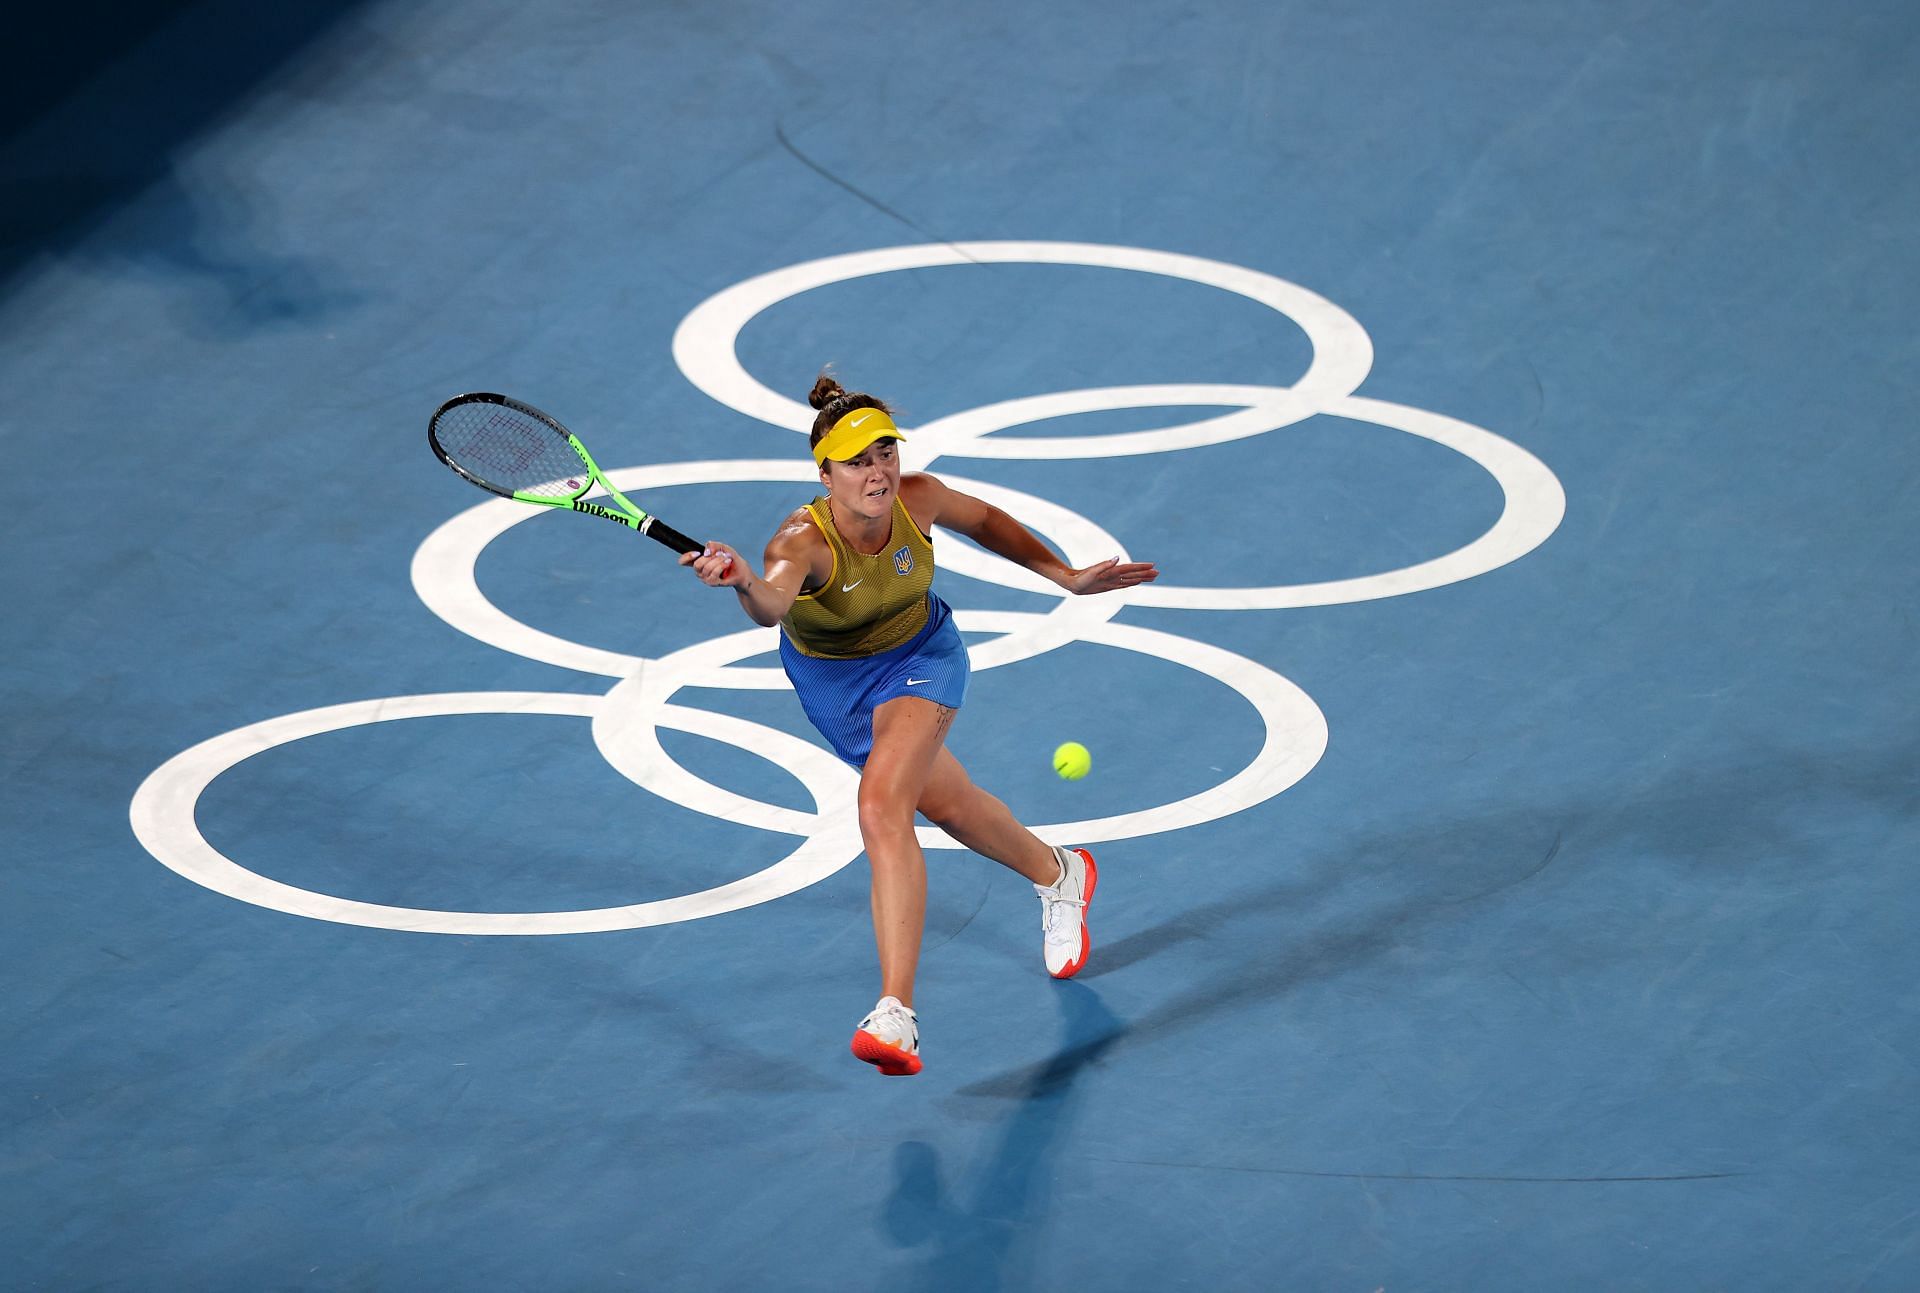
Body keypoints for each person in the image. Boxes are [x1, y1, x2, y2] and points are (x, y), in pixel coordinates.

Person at [681, 374, 1158, 1076]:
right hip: (834, 689)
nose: (877, 472)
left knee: (881, 808)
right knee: (949, 803)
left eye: (884, 454)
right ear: (825, 475)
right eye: (858, 462)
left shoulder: (918, 498)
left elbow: (985, 519)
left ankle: (895, 1012)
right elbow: (773, 606)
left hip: (921, 660)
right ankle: (1060, 874)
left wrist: (1063, 574)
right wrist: (744, 580)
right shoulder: (800, 544)